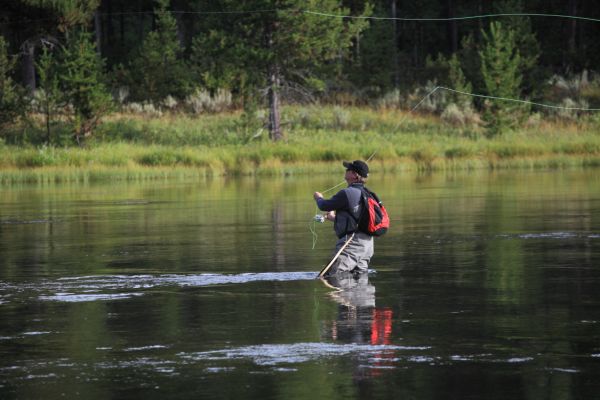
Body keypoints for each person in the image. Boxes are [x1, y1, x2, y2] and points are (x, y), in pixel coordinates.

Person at [313, 160, 374, 276]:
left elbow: (323, 205)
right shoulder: (368, 193)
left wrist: (318, 197)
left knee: (332, 275)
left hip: (352, 242)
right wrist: (333, 218)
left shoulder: (347, 193)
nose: (345, 171)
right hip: (368, 244)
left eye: (348, 170)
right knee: (359, 277)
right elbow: (358, 219)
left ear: (355, 175)